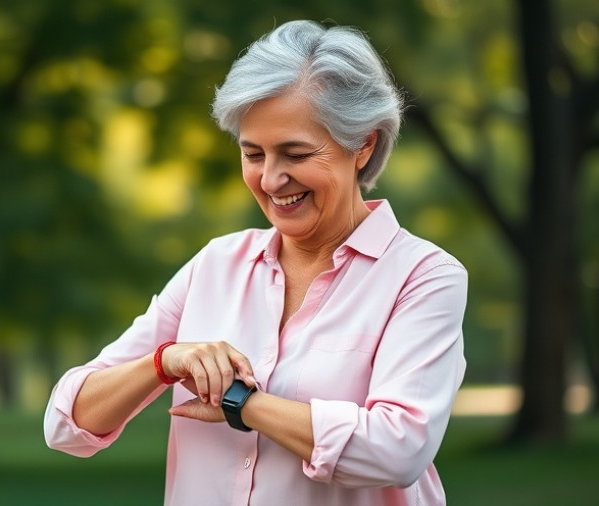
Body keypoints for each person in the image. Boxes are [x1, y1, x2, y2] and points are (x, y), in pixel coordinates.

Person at [44, 19, 467, 506]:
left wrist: (243, 404)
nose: (270, 179)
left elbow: (398, 449)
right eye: (253, 154)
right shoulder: (214, 265)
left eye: (295, 154)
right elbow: (65, 423)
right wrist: (163, 362)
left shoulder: (423, 277)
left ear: (363, 144)